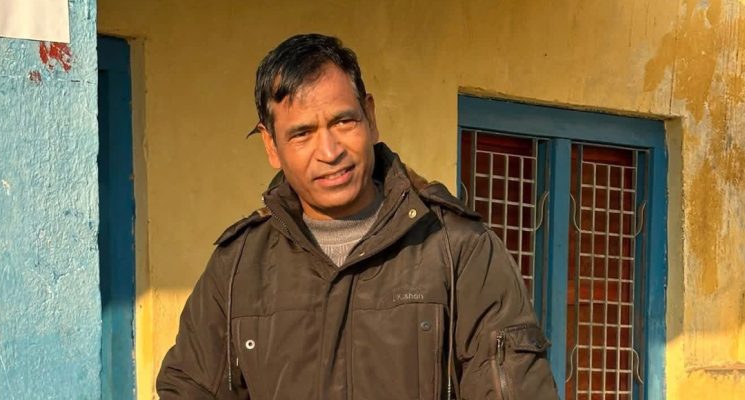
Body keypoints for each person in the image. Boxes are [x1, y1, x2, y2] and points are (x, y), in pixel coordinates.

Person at [156, 33, 559, 400]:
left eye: (343, 121)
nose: (330, 152)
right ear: (271, 145)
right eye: (302, 133)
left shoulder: (458, 250)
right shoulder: (238, 268)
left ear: (370, 117)